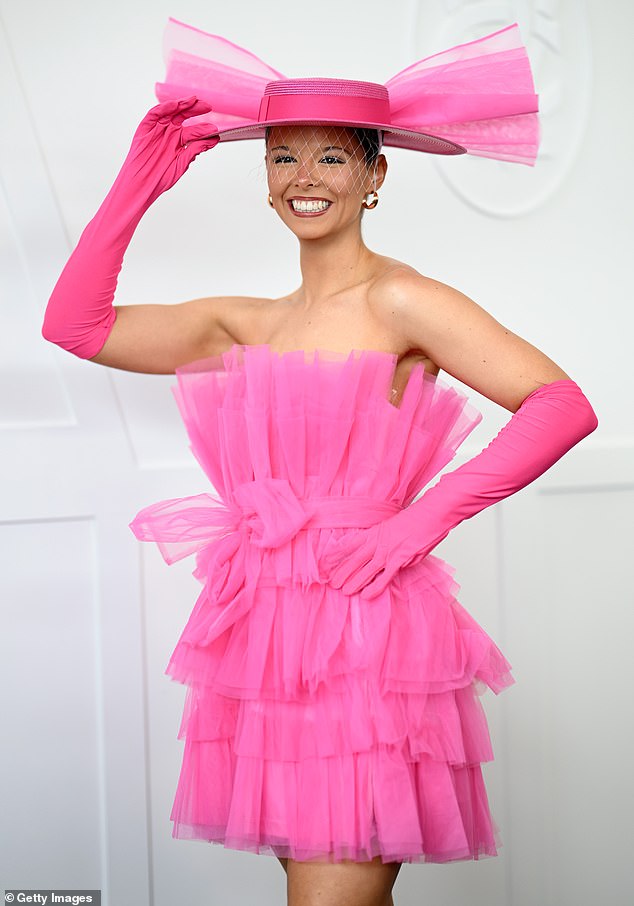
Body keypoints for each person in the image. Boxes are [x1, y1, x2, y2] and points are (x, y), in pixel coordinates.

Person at [41, 20, 598, 906]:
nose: (304, 179)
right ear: (263, 178)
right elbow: (75, 325)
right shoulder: (245, 322)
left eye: (333, 159)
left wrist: (425, 518)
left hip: (368, 637)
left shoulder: (402, 297)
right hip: (264, 640)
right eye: (283, 158)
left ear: (377, 175)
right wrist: (136, 186)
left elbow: (563, 405)